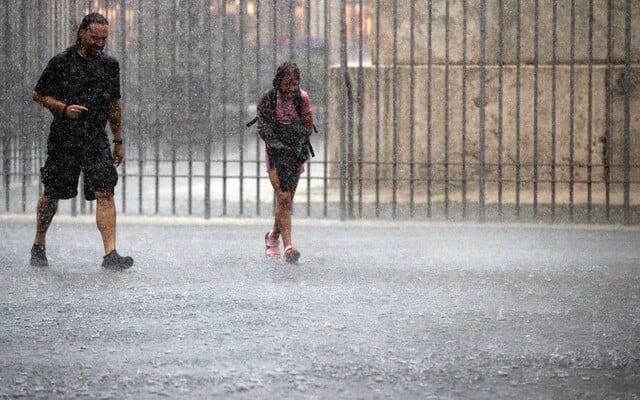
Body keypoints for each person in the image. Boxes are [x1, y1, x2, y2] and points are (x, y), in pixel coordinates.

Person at [29, 12, 133, 270]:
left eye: (104, 39)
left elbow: (114, 104)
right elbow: (38, 94)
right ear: (82, 33)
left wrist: (118, 139)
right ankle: (39, 243)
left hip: (95, 136)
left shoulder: (109, 65)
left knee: (105, 191)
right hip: (65, 136)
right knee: (52, 192)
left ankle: (111, 254)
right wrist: (64, 108)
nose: (100, 44)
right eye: (95, 38)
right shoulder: (61, 62)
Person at [255, 61, 314, 263]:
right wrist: (277, 142)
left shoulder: (302, 98)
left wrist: (295, 134)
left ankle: (273, 237)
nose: (291, 89)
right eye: (287, 84)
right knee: (283, 196)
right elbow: (262, 126)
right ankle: (289, 247)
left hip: (294, 153)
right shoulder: (268, 99)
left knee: (286, 200)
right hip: (275, 153)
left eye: (295, 84)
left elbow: (308, 127)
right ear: (278, 82)